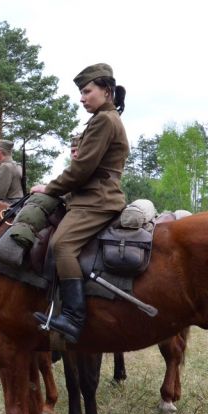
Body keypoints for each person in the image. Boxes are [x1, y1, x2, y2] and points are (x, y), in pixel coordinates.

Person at [31, 63, 128, 343]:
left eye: (87, 91)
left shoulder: (104, 120)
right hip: (88, 198)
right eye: (81, 93)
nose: (82, 98)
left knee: (61, 245)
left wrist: (49, 189)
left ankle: (73, 317)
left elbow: (81, 168)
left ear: (106, 91)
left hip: (96, 201)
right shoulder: (103, 119)